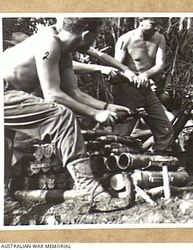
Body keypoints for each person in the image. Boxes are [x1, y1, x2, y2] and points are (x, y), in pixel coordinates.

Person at [1, 17, 130, 201]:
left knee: (5, 145)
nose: (94, 41)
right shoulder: (48, 44)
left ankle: (3, 199)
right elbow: (53, 96)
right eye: (95, 36)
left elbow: (74, 93)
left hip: (9, 94)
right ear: (86, 34)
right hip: (5, 92)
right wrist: (95, 114)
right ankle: (88, 188)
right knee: (61, 115)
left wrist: (108, 107)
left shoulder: (63, 49)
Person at [104, 17, 174, 154]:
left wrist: (145, 75)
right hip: (127, 89)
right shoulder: (126, 39)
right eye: (153, 24)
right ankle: (116, 166)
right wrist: (130, 76)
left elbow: (160, 65)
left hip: (146, 88)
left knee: (165, 129)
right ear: (141, 21)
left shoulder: (159, 38)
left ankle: (156, 162)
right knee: (121, 134)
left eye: (158, 25)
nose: (156, 28)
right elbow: (117, 66)